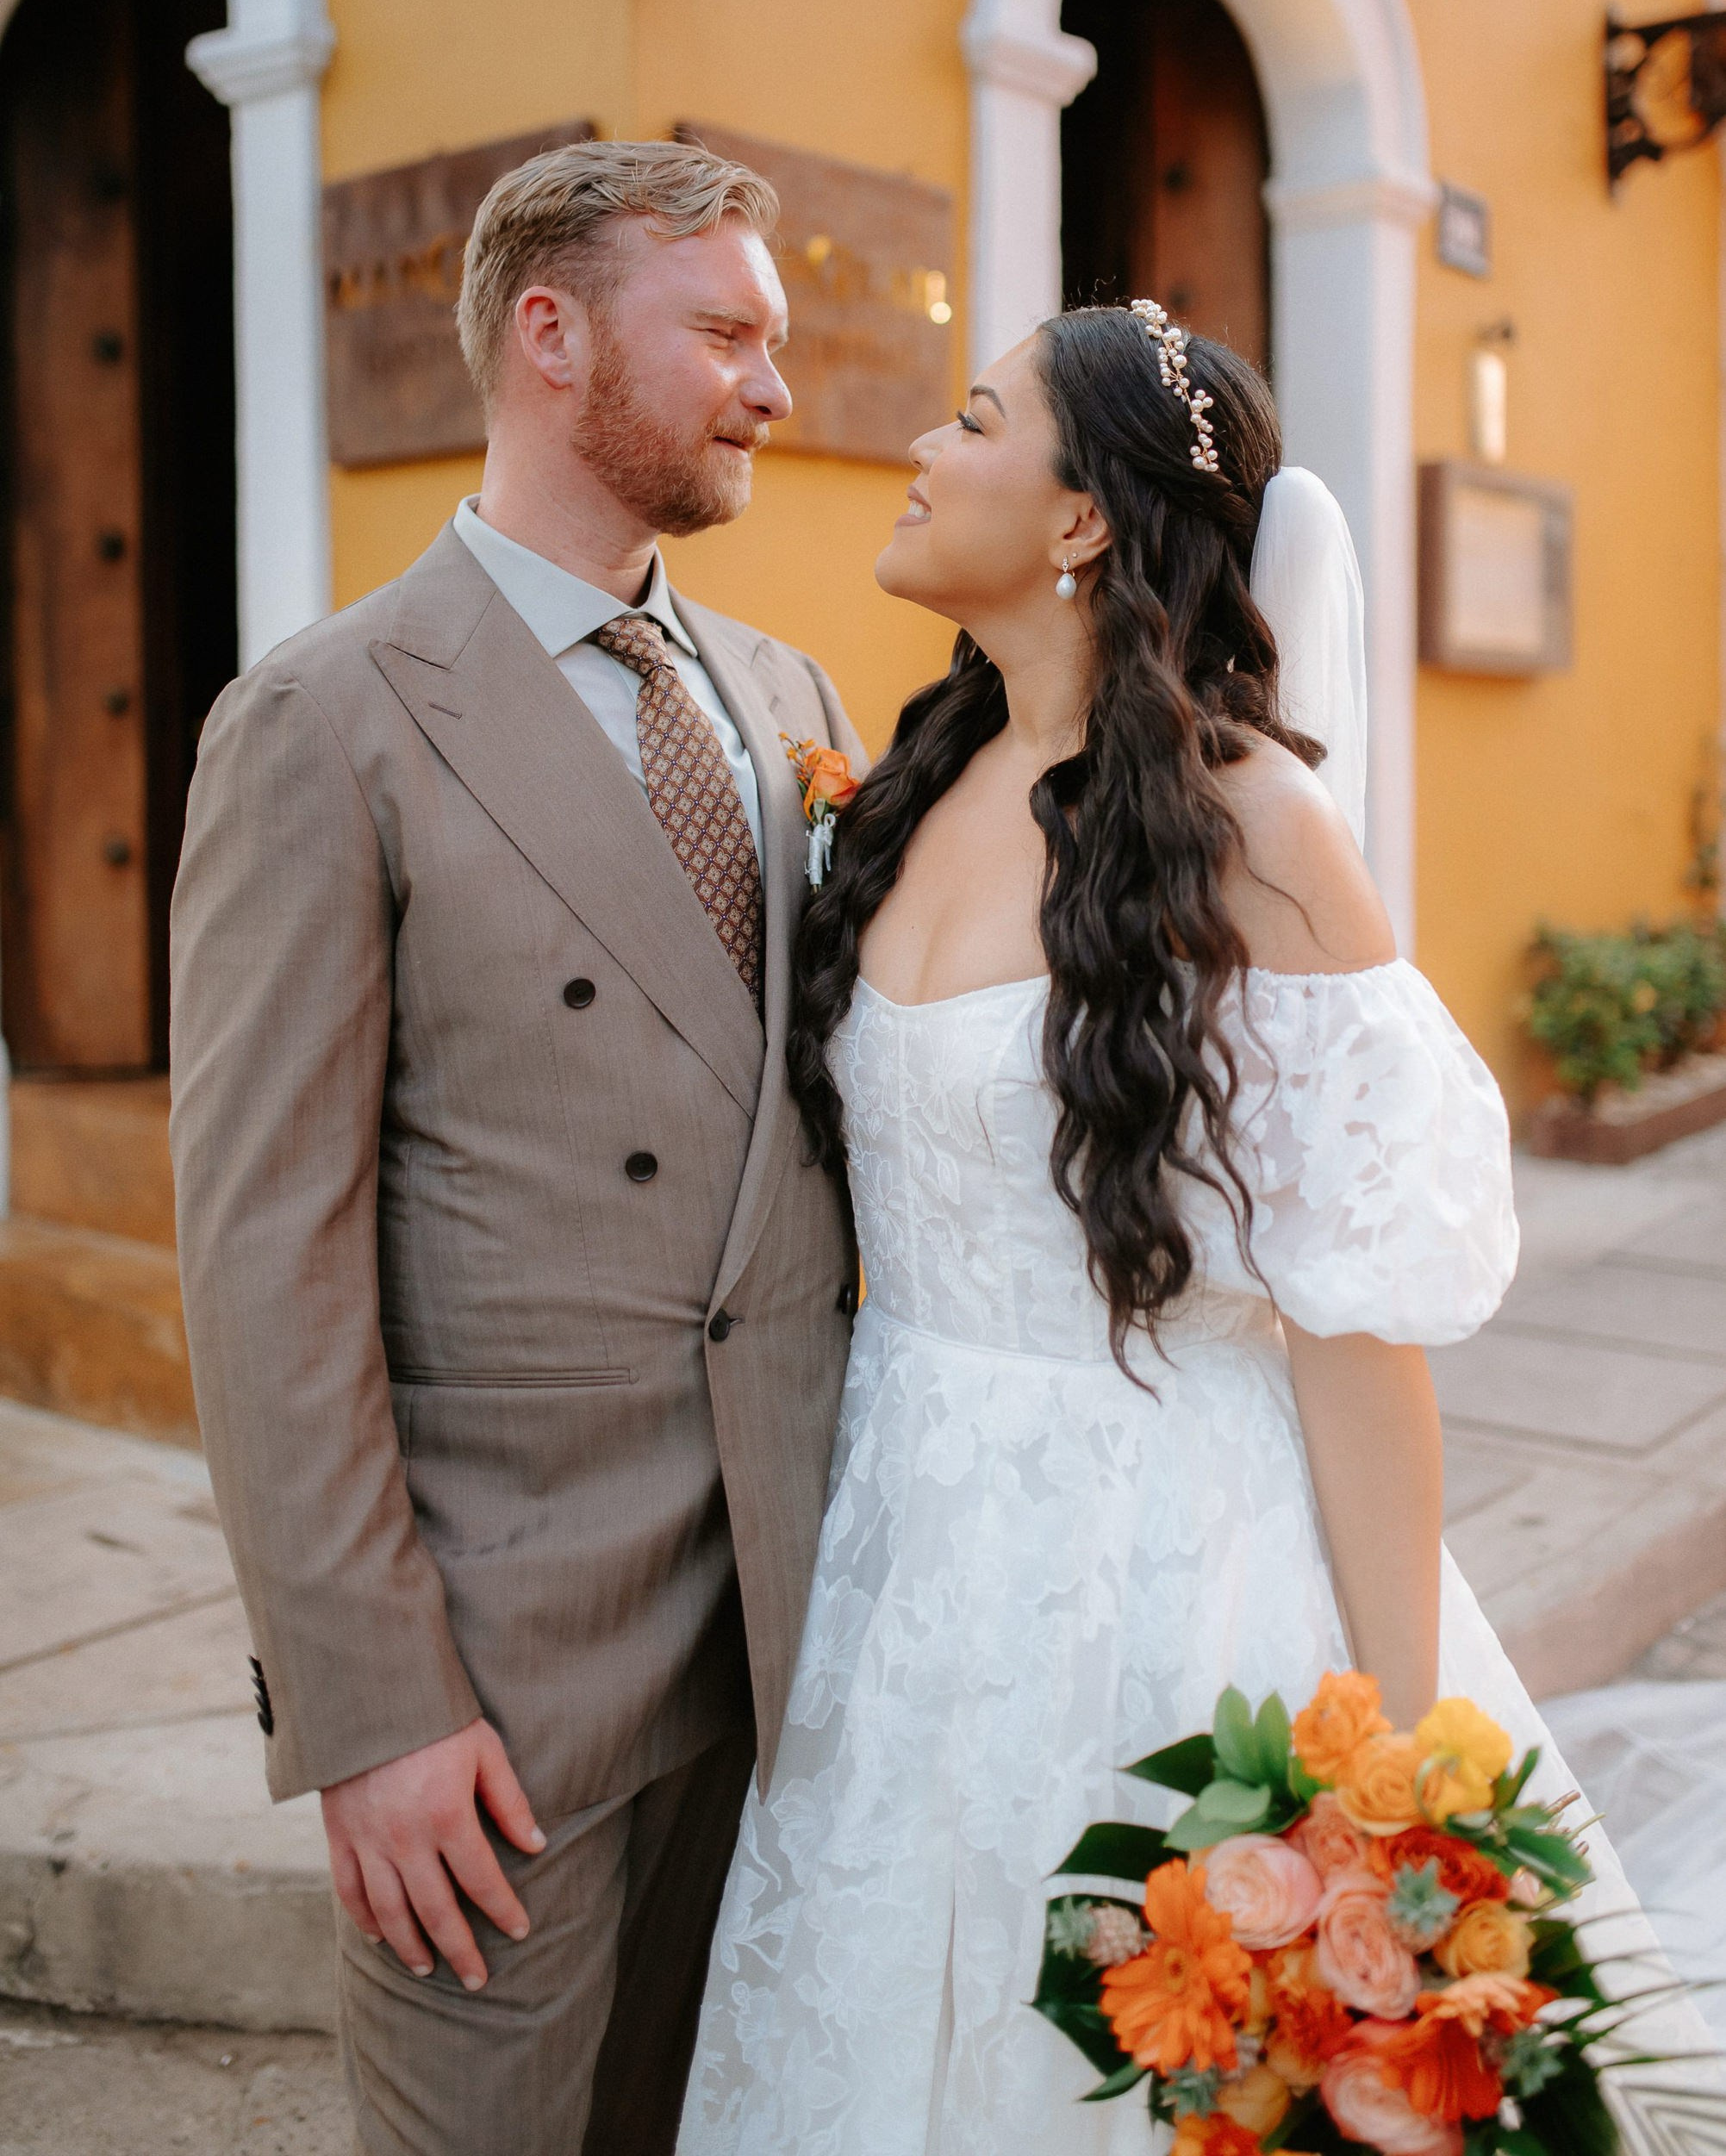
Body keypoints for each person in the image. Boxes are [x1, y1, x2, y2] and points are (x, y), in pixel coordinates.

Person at [676, 302, 1716, 2153]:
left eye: (973, 417)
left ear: (1081, 520)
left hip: (1164, 1556)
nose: (919, 446)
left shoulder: (1256, 829)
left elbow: (1353, 1325)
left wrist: (1398, 1775)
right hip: (900, 1555)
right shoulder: (908, 782)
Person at [170, 139, 865, 2156]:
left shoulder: (786, 689)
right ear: (550, 336)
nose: (775, 384)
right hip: (500, 1685)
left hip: (784, 1626)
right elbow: (261, 1261)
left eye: (780, 340)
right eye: (726, 332)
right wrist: (370, 1710)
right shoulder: (322, 721)